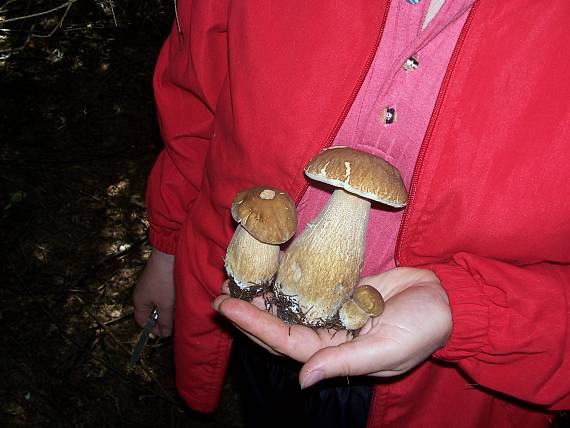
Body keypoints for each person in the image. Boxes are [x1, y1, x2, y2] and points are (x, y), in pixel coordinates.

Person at [133, 0, 570, 426]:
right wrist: (168, 244)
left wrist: (477, 312)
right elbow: (193, 98)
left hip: (439, 383)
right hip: (250, 305)